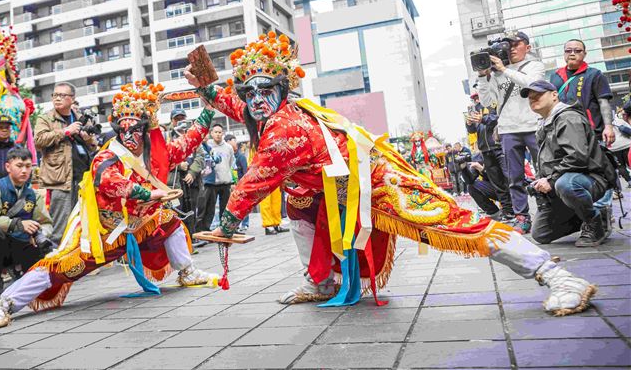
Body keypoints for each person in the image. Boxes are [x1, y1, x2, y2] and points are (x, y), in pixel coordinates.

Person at [185, 31, 596, 316]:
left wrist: (227, 222)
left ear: (283, 88)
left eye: (264, 90)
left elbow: (254, 180)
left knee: (450, 221)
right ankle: (322, 281)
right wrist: (207, 87)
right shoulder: (271, 111)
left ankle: (554, 274)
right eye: (249, 92)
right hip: (324, 187)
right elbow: (235, 107)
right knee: (300, 210)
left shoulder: (285, 127)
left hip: (369, 181)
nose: (255, 100)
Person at [0, 81, 218, 329]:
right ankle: (5, 303)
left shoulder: (155, 152)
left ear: (144, 130)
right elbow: (109, 181)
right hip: (102, 233)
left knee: (168, 219)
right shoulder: (107, 156)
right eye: (123, 130)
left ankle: (187, 271)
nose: (130, 136)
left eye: (135, 129)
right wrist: (150, 193)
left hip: (138, 226)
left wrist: (208, 110)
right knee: (61, 267)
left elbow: (189, 141)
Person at [523, 80, 616, 247]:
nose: (533, 99)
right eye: (530, 98)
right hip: (563, 181)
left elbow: (578, 157)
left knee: (567, 184)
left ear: (554, 95)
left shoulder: (568, 118)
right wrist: (539, 182)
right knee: (541, 234)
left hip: (589, 179)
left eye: (538, 95)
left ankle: (596, 221)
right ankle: (584, 214)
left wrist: (550, 180)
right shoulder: (544, 124)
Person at [476, 30, 545, 234]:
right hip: (508, 130)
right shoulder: (496, 71)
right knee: (514, 177)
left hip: (533, 125)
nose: (511, 49)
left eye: (515, 44)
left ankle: (548, 209)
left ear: (528, 47)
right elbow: (487, 102)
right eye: (508, 45)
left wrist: (504, 69)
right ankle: (522, 217)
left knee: (544, 171)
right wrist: (483, 76)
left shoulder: (534, 66)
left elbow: (531, 84)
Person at [0, 147, 53, 297]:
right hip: (2, 244)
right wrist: (18, 224)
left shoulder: (33, 195)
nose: (24, 171)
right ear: (8, 167)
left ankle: (23, 273)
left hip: (24, 244)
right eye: (19, 166)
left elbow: (46, 223)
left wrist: (39, 233)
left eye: (28, 166)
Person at [34, 82, 99, 245]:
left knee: (82, 221)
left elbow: (93, 144)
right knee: (61, 225)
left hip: (83, 176)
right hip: (60, 178)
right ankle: (58, 262)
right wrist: (65, 131)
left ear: (72, 98)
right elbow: (38, 141)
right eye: (55, 95)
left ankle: (79, 262)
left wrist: (88, 139)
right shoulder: (46, 118)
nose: (57, 98)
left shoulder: (79, 116)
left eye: (62, 95)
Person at [550, 39, 615, 147]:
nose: (572, 54)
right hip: (562, 133)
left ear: (584, 54)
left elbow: (603, 102)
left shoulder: (594, 74)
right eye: (568, 51)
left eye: (577, 51)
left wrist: (608, 127)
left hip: (590, 133)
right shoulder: (555, 76)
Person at [465, 100, 513, 221]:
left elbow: (501, 119)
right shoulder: (477, 108)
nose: (476, 99)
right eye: (474, 98)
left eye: (477, 97)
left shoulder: (496, 102)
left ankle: (520, 212)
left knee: (509, 179)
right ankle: (507, 212)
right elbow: (472, 130)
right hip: (486, 150)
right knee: (497, 183)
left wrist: (484, 119)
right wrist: (469, 123)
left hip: (499, 146)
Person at [168, 119, 205, 240]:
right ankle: (180, 238)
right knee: (178, 210)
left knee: (192, 209)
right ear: (172, 121)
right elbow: (163, 159)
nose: (181, 124)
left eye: (183, 118)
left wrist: (192, 173)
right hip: (174, 183)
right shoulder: (167, 138)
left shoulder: (192, 138)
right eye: (178, 119)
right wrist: (179, 165)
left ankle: (192, 236)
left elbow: (200, 157)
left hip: (192, 182)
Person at [198, 123, 235, 233]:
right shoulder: (207, 146)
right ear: (211, 133)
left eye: (220, 132)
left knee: (225, 209)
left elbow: (231, 163)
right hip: (212, 183)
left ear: (223, 133)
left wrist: (233, 180)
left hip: (226, 182)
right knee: (209, 208)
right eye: (216, 132)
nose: (218, 134)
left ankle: (226, 229)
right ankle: (205, 230)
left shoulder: (228, 147)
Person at [225, 134, 253, 234]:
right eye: (233, 140)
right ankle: (234, 226)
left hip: (241, 184)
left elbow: (246, 171)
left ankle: (245, 224)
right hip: (230, 184)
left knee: (243, 204)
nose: (235, 143)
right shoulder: (227, 154)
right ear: (228, 142)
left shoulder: (240, 157)